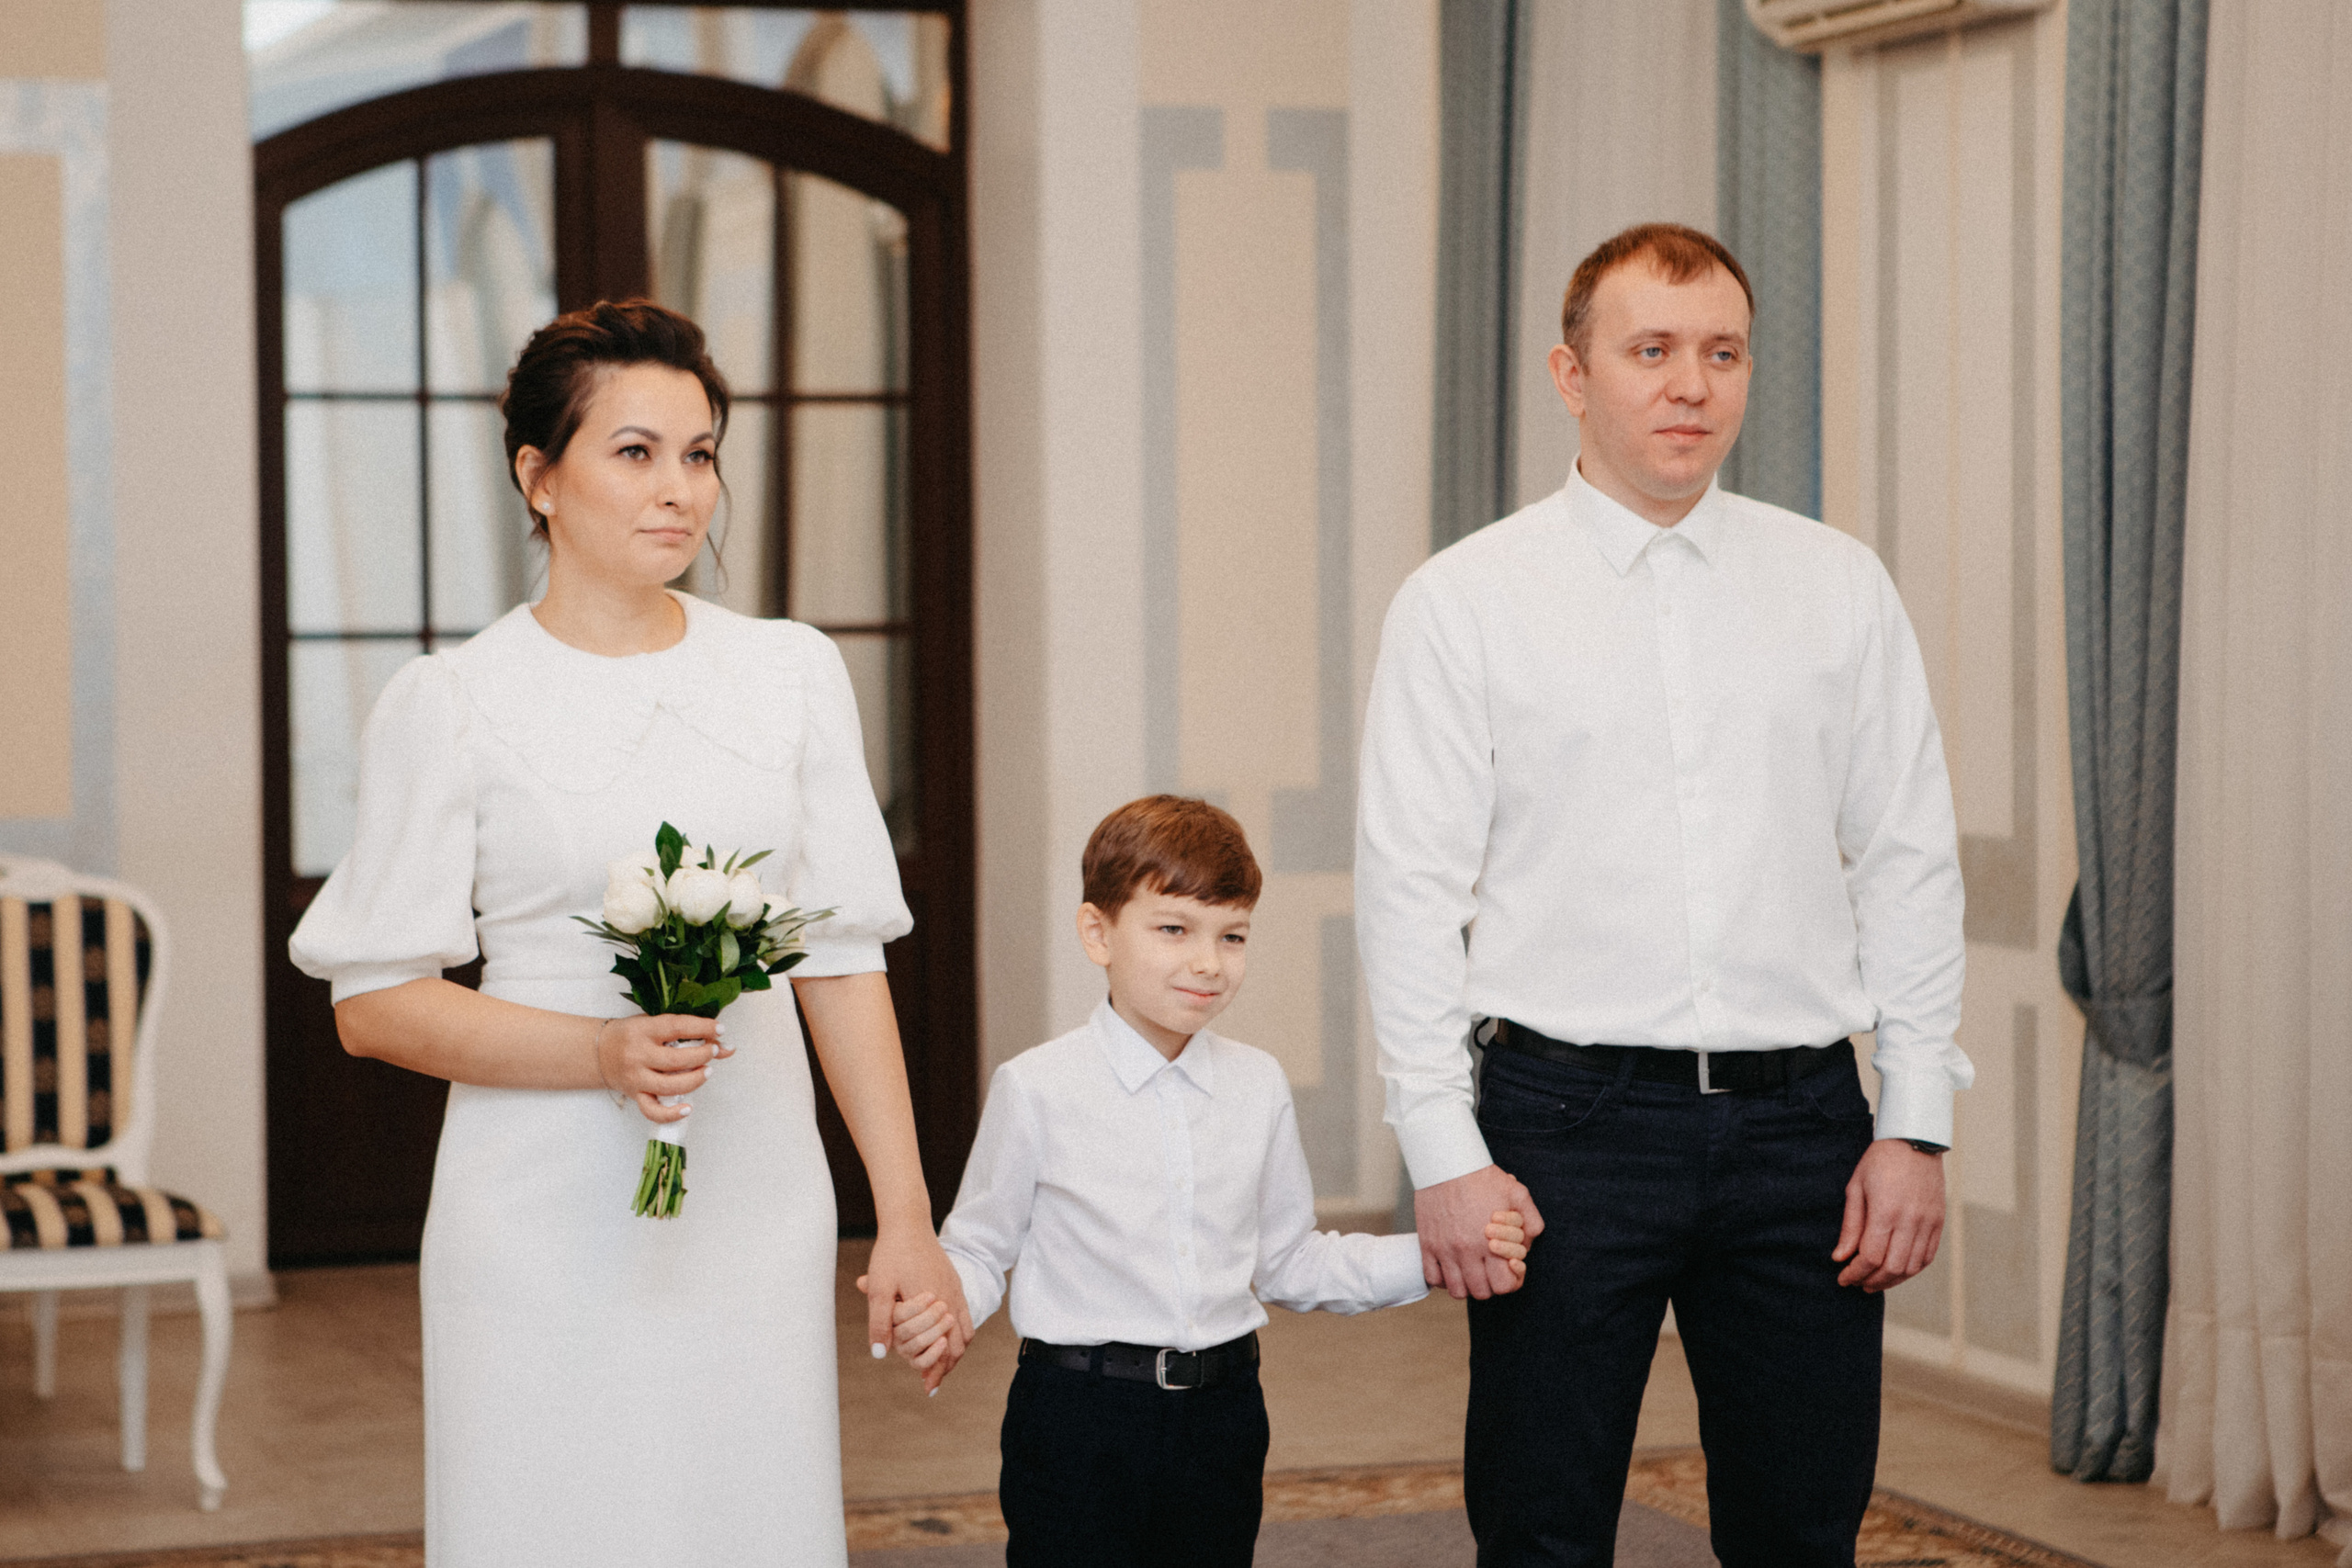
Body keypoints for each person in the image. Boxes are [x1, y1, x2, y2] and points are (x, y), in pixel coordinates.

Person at [288, 299, 969, 1567]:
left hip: (755, 1185)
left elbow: (840, 956)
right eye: (636, 451)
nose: (681, 490)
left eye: (701, 452)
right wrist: (600, 1055)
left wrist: (907, 1216)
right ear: (536, 476)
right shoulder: (452, 701)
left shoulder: (792, 673)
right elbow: (373, 1001)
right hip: (539, 1204)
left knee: (746, 1510)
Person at [1355, 223, 1973, 1565]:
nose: (1691, 384)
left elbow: (1912, 856)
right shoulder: (1464, 602)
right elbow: (1410, 890)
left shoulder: (1838, 587)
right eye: (1653, 351)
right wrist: (1444, 1153)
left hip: (1805, 1124)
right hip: (1560, 1129)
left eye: (1722, 352)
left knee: (1805, 1526)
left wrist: (1913, 1121)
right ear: (1574, 377)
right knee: (1541, 1523)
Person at [880, 795, 1528, 1568]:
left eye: (1232, 935)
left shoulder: (1257, 1085)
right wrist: (946, 1306)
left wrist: (1434, 1255)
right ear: (1099, 933)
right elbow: (982, 1247)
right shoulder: (1037, 1087)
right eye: (1173, 929)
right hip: (1078, 1416)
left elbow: (1290, 1261)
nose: (1208, 962)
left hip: (1222, 1416)